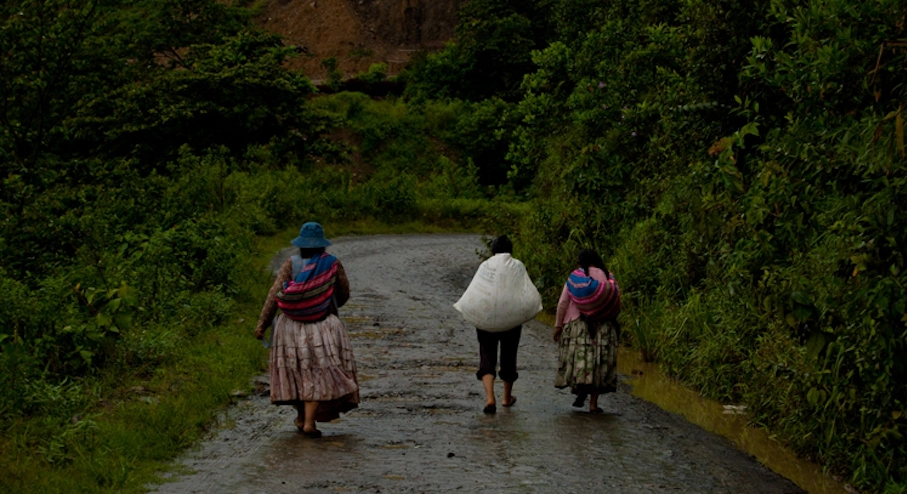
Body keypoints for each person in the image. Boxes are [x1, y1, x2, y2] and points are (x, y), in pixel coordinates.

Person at [254, 222, 359, 438]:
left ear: (300, 244)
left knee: (297, 372)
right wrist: (321, 300)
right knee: (317, 373)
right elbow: (344, 293)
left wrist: (262, 325)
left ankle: (302, 417)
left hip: (289, 327)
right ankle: (309, 422)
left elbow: (274, 295)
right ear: (322, 245)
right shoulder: (331, 263)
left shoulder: (290, 264)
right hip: (321, 326)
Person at [553, 249, 619, 413]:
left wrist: (558, 326)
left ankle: (581, 389)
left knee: (581, 361)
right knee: (598, 364)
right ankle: (593, 404)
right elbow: (615, 301)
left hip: (579, 325)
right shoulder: (608, 276)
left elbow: (563, 303)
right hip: (603, 326)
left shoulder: (576, 276)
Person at [474, 235, 523, 414]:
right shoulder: (517, 266)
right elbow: (524, 290)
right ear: (511, 251)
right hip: (511, 318)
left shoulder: (485, 266)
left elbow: (476, 290)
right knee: (509, 356)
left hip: (486, 316)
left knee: (487, 355)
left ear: (493, 250)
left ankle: (489, 398)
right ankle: (506, 397)